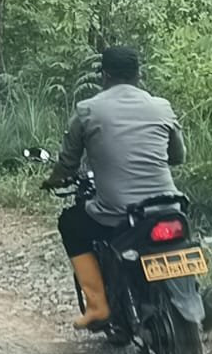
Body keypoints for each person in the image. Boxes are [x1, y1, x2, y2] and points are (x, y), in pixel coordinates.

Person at [39, 46, 185, 329]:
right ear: (139, 74)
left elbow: (68, 164)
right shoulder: (162, 106)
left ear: (104, 76)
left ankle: (97, 306)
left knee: (70, 223)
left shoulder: (88, 110)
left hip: (119, 214)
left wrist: (52, 181)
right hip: (169, 207)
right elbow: (178, 156)